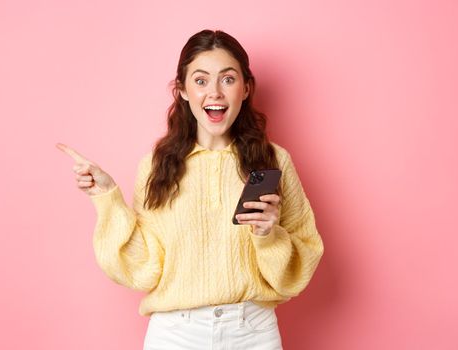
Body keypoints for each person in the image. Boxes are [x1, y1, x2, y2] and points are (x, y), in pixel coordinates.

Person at [57, 29, 324, 350]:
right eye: (200, 81)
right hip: (175, 334)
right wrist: (108, 197)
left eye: (227, 79)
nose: (215, 92)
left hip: (252, 331)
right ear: (182, 90)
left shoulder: (274, 161)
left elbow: (302, 259)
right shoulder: (157, 165)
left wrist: (269, 236)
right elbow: (144, 267)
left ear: (246, 88)